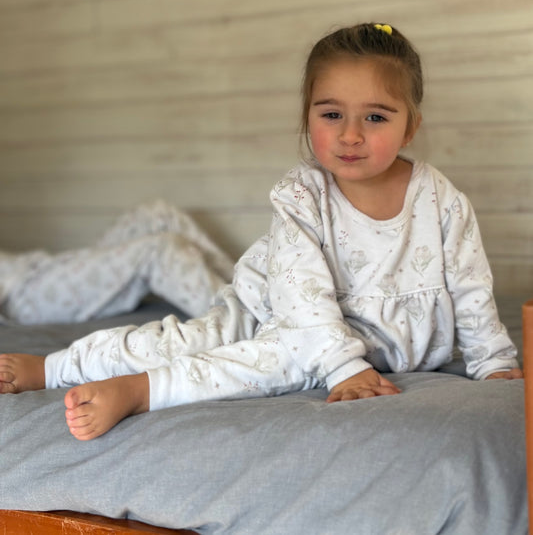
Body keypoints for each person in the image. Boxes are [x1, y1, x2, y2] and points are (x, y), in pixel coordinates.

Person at [0, 22, 522, 441]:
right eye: (332, 114)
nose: (350, 135)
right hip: (281, 313)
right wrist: (343, 367)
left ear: (411, 126)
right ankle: (70, 373)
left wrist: (493, 362)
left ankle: (125, 382)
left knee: (277, 363)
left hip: (357, 338)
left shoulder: (441, 199)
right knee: (198, 346)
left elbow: (470, 286)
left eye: (376, 118)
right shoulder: (303, 195)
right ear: (307, 117)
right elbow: (302, 297)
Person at [0, 199, 233, 324]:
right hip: (21, 295)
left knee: (156, 214)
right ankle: (240, 324)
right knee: (158, 250)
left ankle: (244, 291)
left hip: (37, 266)